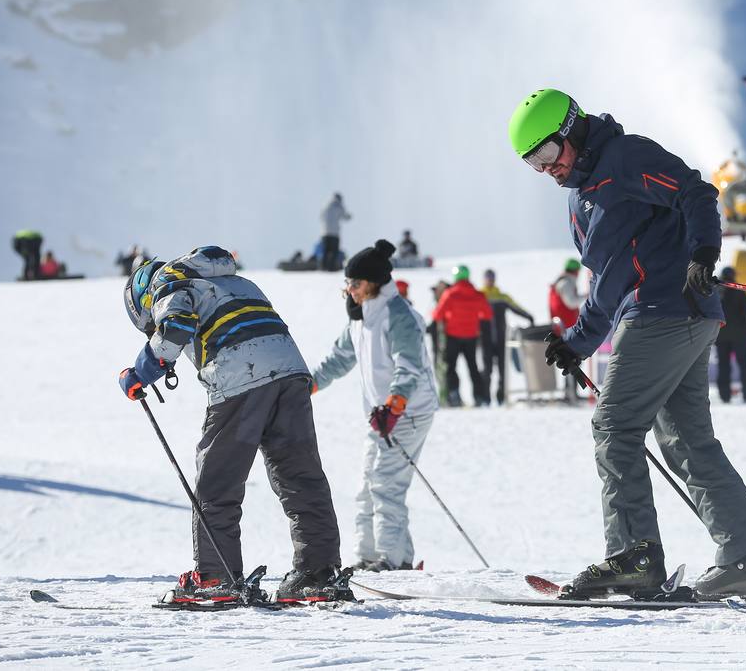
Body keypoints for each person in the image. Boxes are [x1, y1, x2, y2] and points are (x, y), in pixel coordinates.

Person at [508, 87, 746, 599]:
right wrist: (578, 342)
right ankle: (744, 560)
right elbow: (607, 278)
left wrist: (703, 252)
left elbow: (695, 192)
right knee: (687, 442)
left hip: (666, 309)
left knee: (615, 427)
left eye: (546, 153)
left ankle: (634, 556)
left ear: (572, 129)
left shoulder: (624, 157)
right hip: (671, 316)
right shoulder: (580, 199)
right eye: (532, 163)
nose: (545, 169)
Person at [116, 245, 348, 604]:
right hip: (292, 374)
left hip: (240, 378)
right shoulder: (236, 282)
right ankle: (317, 574)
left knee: (217, 482)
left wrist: (141, 371)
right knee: (300, 476)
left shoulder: (168, 281)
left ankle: (215, 576)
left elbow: (175, 326)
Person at [310, 239, 439, 573]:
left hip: (408, 411)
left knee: (385, 482)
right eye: (348, 283)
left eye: (356, 283)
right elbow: (339, 358)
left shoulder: (398, 316)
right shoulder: (360, 317)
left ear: (373, 283)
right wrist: (307, 385)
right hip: (382, 415)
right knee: (368, 482)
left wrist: (395, 406)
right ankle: (369, 555)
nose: (350, 289)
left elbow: (409, 366)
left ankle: (393, 560)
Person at [432, 265, 493, 407]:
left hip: (452, 336)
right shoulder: (478, 295)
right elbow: (487, 314)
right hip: (471, 336)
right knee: (473, 367)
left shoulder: (450, 294)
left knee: (451, 367)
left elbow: (437, 314)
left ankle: (454, 396)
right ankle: (479, 397)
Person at [479, 268, 535, 405]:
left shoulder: (501, 297)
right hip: (485, 340)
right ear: (484, 279)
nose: (490, 280)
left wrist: (528, 316)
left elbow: (516, 307)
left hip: (500, 340)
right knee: (487, 370)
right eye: (488, 278)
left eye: (492, 278)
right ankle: (485, 399)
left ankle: (501, 397)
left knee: (502, 371)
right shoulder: (479, 296)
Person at [714, 267, 746, 403]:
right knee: (745, 365)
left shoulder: (715, 291)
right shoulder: (738, 290)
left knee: (723, 366)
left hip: (721, 335)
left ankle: (725, 396)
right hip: (739, 335)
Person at [548, 258, 586, 330]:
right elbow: (571, 303)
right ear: (575, 271)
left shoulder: (561, 282)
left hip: (561, 326)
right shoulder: (566, 284)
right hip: (566, 327)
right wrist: (586, 296)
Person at [320, 193, 352, 272]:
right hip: (334, 234)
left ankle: (323, 267)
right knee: (334, 251)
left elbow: (321, 217)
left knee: (325, 251)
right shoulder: (339, 207)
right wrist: (349, 216)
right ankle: (331, 267)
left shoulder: (326, 206)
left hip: (325, 233)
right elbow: (345, 217)